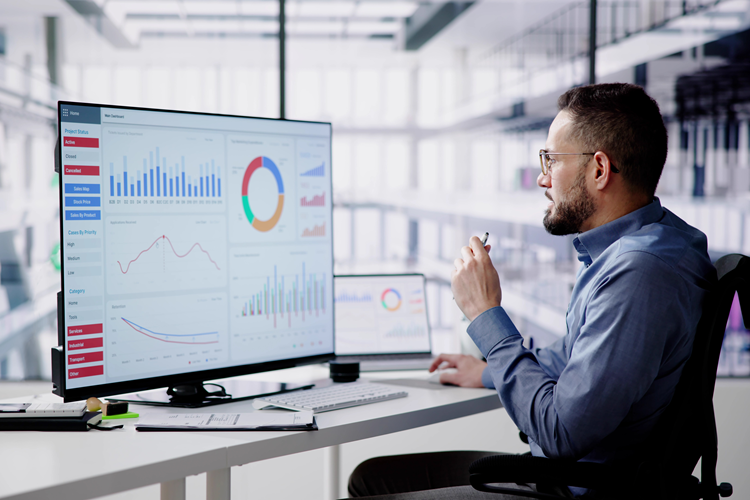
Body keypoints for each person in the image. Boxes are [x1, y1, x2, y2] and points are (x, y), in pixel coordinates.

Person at [346, 83, 716, 499]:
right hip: (575, 475)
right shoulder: (658, 242)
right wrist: (487, 369)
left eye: (551, 160)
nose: (542, 178)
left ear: (599, 169)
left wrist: (486, 316)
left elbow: (560, 433)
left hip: (575, 487)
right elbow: (575, 361)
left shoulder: (640, 273)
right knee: (372, 478)